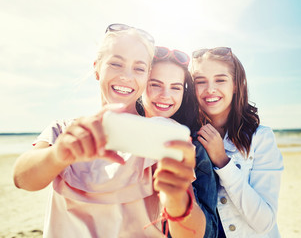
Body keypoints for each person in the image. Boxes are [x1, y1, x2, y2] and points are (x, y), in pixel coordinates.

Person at [12, 23, 206, 238]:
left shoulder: (161, 135)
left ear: (146, 76)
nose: (126, 76)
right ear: (97, 68)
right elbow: (22, 179)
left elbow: (192, 235)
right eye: (116, 64)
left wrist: (178, 199)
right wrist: (58, 154)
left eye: (139, 68)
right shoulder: (65, 130)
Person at [190, 47, 284, 238]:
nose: (210, 89)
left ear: (235, 85)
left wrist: (223, 161)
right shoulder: (187, 137)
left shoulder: (260, 138)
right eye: (201, 81)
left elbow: (264, 222)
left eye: (220, 80)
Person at [138, 46, 218, 237]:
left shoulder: (193, 149)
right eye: (155, 84)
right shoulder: (120, 138)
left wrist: (179, 198)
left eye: (175, 87)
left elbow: (210, 232)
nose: (166, 95)